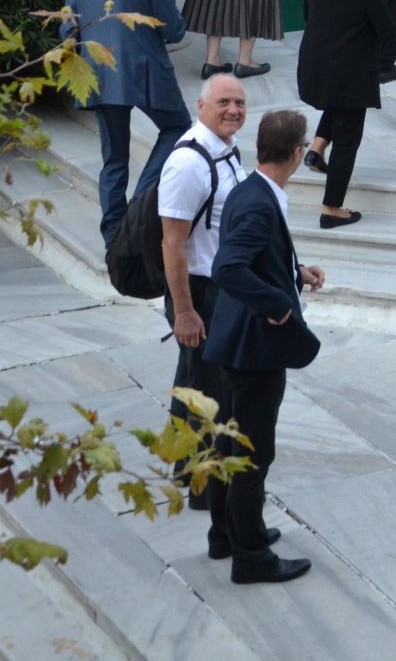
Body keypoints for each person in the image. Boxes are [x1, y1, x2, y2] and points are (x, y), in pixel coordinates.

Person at [201, 108, 325, 584]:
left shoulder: (250, 189)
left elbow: (254, 256)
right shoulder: (258, 202)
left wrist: (295, 273)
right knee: (252, 455)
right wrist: (278, 303)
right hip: (253, 349)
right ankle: (251, 556)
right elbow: (229, 268)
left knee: (227, 443)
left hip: (233, 341)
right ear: (296, 153)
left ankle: (225, 534)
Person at [63, 0, 190, 244]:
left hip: (100, 76)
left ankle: (112, 236)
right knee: (178, 127)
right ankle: (138, 208)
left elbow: (67, 31)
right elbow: (174, 31)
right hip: (147, 74)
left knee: (114, 158)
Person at [157, 72, 249, 508]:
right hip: (198, 292)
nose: (233, 110)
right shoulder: (188, 163)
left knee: (194, 381)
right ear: (201, 107)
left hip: (217, 287)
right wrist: (183, 312)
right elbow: (171, 243)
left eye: (239, 103)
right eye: (223, 102)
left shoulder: (225, 149)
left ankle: (184, 466)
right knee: (210, 391)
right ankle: (203, 489)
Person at [296, 0, 395, 229]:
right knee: (348, 141)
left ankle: (317, 147)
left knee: (337, 107)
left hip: (314, 66)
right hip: (350, 73)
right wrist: (376, 58)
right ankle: (332, 208)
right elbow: (387, 31)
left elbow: (308, 17)